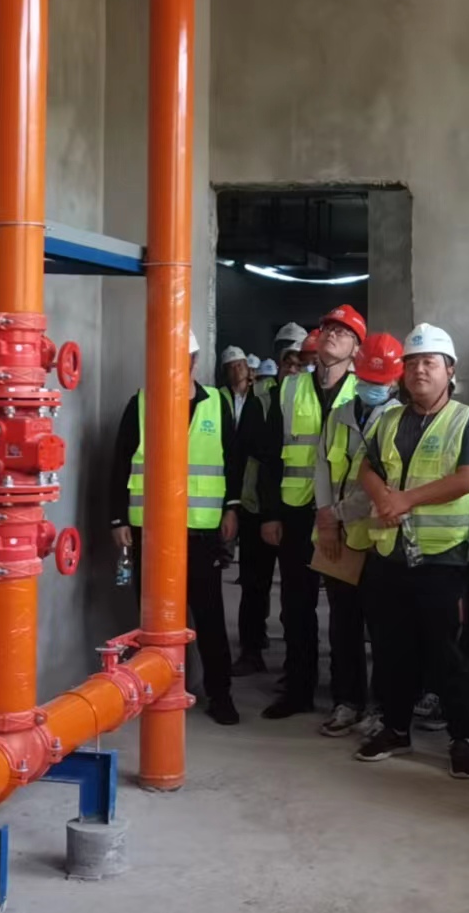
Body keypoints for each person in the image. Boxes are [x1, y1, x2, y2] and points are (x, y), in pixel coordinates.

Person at [354, 324, 469, 775]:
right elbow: (366, 467)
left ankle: (461, 737)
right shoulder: (390, 419)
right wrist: (382, 497)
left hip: (442, 558)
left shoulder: (468, 420)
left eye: (429, 363)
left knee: (445, 653)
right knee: (391, 649)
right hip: (389, 553)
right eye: (412, 363)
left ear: (449, 370)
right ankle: (396, 728)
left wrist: (405, 500)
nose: (418, 371)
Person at [113, 331, 240, 725]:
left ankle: (220, 694)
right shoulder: (140, 404)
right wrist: (118, 518)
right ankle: (154, 692)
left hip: (200, 533)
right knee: (153, 620)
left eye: (180, 357)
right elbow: (120, 464)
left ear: (193, 361)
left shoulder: (216, 403)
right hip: (149, 533)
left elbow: (233, 460)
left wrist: (232, 507)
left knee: (209, 617)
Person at [264, 306, 366, 721]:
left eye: (343, 332)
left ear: (356, 348)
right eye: (327, 329)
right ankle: (298, 689)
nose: (331, 335)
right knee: (296, 605)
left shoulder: (366, 390)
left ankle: (348, 697)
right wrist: (270, 514)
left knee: (346, 609)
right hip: (295, 511)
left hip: (344, 516)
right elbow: (271, 454)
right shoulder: (289, 388)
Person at [306, 329, 403, 736]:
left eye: (380, 381)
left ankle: (382, 707)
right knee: (342, 625)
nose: (371, 387)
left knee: (382, 629)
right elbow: (322, 467)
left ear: (394, 381)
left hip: (379, 538)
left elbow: (384, 480)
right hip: (338, 536)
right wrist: (325, 517)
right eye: (365, 379)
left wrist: (338, 514)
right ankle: (347, 701)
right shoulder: (341, 414)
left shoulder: (399, 420)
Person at [225, 351, 278, 676]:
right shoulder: (262, 403)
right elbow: (241, 456)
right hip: (257, 507)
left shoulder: (323, 403)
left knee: (299, 596)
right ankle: (251, 650)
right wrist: (234, 505)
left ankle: (300, 665)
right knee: (254, 584)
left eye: (302, 363)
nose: (296, 369)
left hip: (302, 510)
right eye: (289, 362)